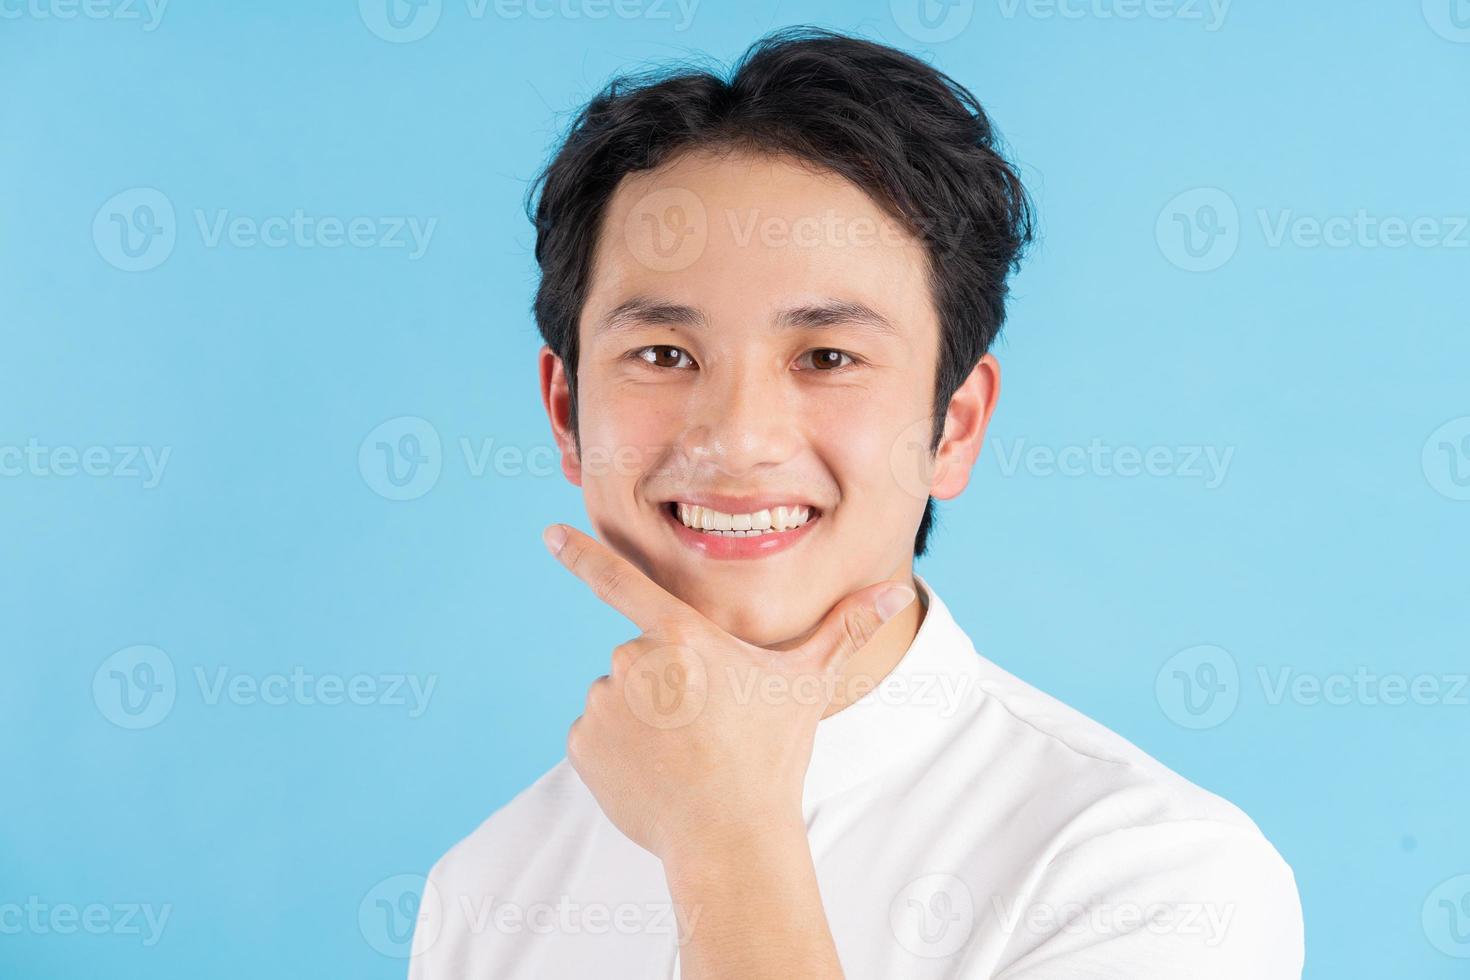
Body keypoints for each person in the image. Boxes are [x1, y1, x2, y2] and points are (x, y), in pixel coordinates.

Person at [409, 27, 1303, 979]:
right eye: (665, 355)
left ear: (953, 426)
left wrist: (728, 841)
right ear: (565, 412)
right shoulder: (484, 891)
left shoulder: (1155, 879)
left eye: (827, 358)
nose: (737, 439)